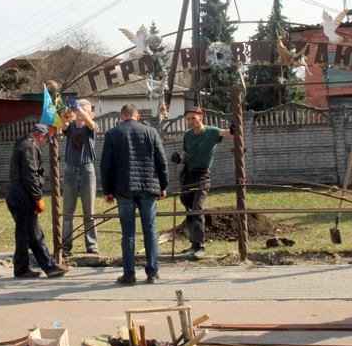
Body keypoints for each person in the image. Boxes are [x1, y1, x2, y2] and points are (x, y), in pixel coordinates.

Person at [101, 104, 168, 285]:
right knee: (150, 229)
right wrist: (163, 185)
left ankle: (129, 274)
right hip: (148, 188)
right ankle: (152, 273)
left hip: (123, 189)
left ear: (122, 116)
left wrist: (107, 191)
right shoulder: (151, 132)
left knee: (128, 232)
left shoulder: (112, 134)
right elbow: (161, 161)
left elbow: (106, 165)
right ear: (137, 116)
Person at [6, 123, 69, 279]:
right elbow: (31, 175)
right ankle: (48, 267)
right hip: (24, 196)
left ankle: (23, 268)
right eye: (45, 140)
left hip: (17, 194)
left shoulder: (22, 142)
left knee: (27, 233)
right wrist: (37, 198)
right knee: (32, 232)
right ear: (40, 136)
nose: (44, 143)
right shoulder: (30, 146)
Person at [174, 107, 233, 258]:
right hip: (187, 174)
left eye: (193, 118)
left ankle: (200, 247)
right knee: (189, 209)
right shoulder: (187, 135)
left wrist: (234, 129)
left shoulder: (211, 132)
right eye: (188, 119)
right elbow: (185, 153)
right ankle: (193, 244)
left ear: (201, 117)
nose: (191, 121)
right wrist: (179, 158)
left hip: (202, 175)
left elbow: (228, 134)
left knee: (197, 208)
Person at [61, 99, 100, 257]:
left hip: (87, 170)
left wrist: (79, 110)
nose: (80, 112)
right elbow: (63, 124)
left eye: (85, 110)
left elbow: (90, 123)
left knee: (89, 212)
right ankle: (65, 247)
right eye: (79, 109)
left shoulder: (91, 127)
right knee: (68, 213)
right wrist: (63, 110)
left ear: (90, 113)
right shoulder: (70, 127)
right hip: (70, 170)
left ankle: (92, 245)